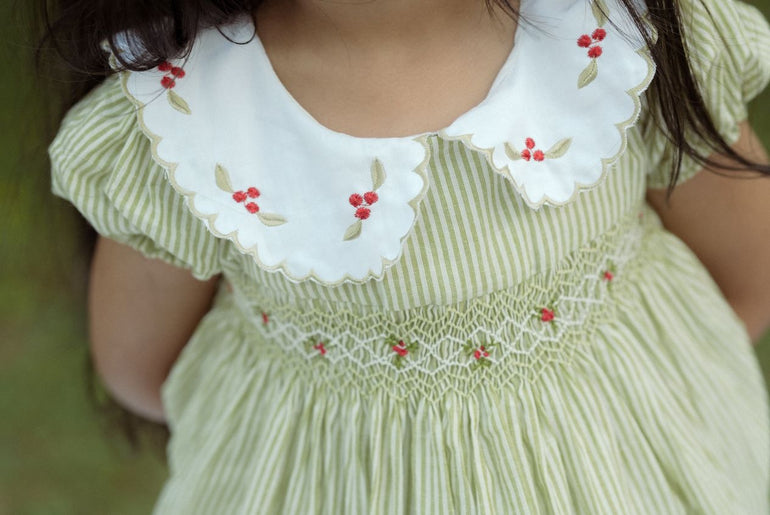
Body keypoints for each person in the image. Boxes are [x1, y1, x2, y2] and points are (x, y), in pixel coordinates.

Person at [42, 0, 770, 512]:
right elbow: (147, 367)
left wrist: (656, 409)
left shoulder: (621, 35)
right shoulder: (191, 120)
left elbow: (744, 276)